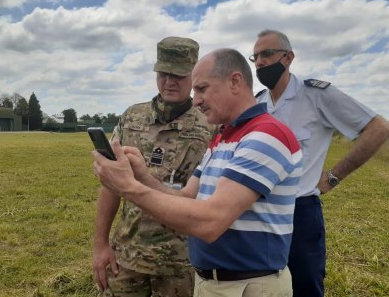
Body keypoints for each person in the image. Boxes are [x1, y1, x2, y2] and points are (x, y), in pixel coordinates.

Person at [93, 48, 304, 297]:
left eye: (202, 89)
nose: (196, 101)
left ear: (235, 82)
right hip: (215, 282)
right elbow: (186, 197)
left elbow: (211, 222)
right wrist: (142, 177)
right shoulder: (224, 138)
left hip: (248, 286)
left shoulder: (265, 135)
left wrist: (128, 186)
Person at [250, 29, 389, 297]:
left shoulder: (316, 95)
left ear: (288, 57)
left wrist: (333, 177)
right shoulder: (258, 104)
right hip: (261, 213)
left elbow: (380, 128)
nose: (260, 62)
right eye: (255, 57)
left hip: (299, 213)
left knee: (304, 286)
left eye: (267, 54)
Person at [93, 36, 214, 296]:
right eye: (163, 73)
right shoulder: (132, 118)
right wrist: (100, 244)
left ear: (193, 76)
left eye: (179, 75)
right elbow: (111, 186)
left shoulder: (210, 124)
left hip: (182, 264)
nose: (169, 81)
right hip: (127, 256)